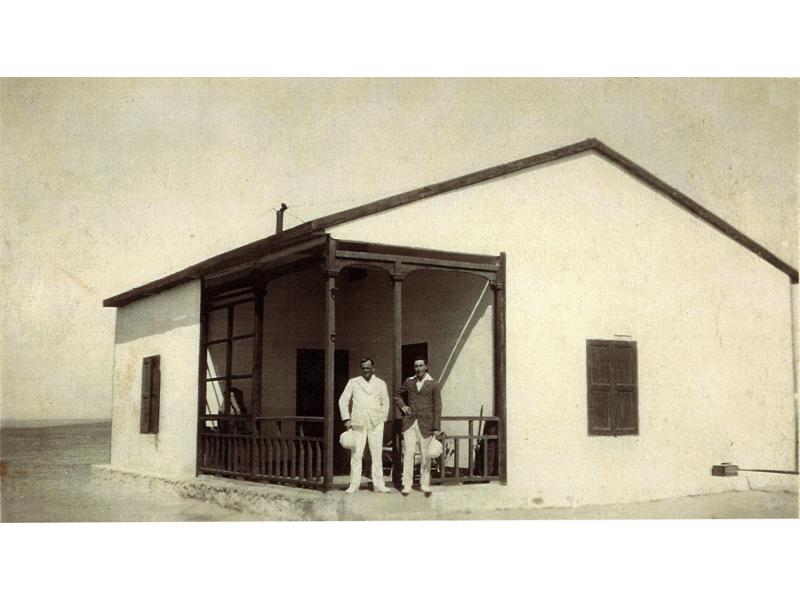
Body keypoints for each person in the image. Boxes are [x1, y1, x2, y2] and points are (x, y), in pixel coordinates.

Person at [338, 358, 392, 494]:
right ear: (361, 369)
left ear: (373, 368)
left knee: (377, 454)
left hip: (376, 423)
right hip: (358, 423)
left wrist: (383, 419)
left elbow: (386, 402)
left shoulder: (380, 383)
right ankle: (354, 485)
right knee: (356, 455)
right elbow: (343, 400)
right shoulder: (354, 382)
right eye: (363, 368)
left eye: (368, 368)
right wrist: (346, 419)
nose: (366, 370)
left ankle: (379, 485)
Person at [394, 357, 442, 497]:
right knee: (408, 453)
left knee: (425, 454)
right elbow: (397, 395)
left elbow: (438, 407)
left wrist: (436, 427)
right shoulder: (409, 381)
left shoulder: (433, 384)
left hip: (426, 424)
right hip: (409, 423)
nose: (418, 369)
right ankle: (407, 485)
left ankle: (424, 484)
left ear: (426, 367)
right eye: (416, 366)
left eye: (421, 366)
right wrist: (403, 406)